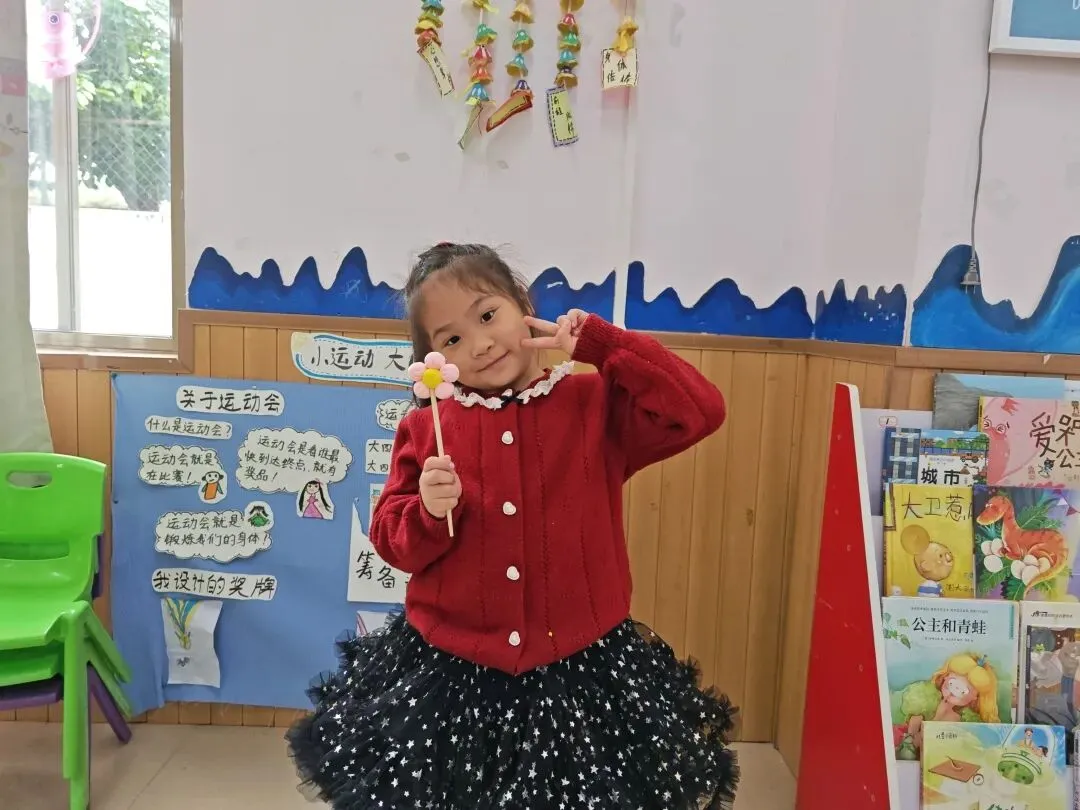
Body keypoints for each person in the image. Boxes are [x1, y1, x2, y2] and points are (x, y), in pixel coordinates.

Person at [287, 243, 739, 809]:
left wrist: (603, 345)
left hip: (583, 669)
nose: (479, 344)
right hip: (451, 675)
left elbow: (698, 410)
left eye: (487, 315)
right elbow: (392, 540)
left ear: (522, 304)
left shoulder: (592, 402)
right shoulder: (427, 429)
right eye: (452, 338)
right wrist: (427, 512)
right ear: (433, 359)